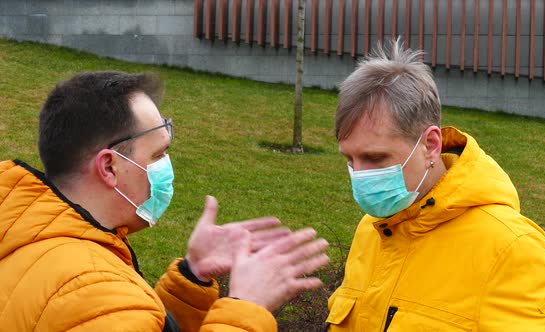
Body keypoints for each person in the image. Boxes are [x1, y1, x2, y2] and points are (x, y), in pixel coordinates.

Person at [0, 71, 330, 331]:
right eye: (158, 155)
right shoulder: (93, 289)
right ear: (109, 166)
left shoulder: (27, 237)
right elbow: (100, 308)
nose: (166, 169)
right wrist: (246, 309)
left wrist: (192, 278)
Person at [325, 40, 545, 331]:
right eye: (350, 159)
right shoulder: (372, 229)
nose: (359, 175)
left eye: (375, 158)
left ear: (430, 145)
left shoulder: (511, 248)